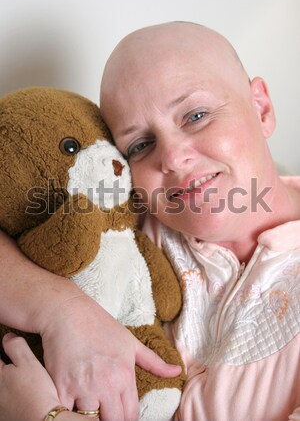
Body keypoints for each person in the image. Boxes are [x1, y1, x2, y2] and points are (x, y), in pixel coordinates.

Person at [0, 21, 299, 421]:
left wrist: (44, 416)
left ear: (260, 108)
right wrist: (61, 310)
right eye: (140, 145)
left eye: (196, 115)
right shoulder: (133, 219)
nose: (173, 158)